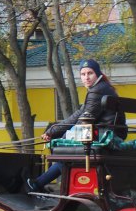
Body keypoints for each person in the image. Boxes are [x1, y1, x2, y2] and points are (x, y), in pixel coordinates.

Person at [27, 59, 127, 193]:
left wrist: (60, 138)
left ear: (97, 74)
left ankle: (42, 185)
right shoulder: (102, 88)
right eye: (83, 74)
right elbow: (79, 114)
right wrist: (53, 130)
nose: (86, 77)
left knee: (62, 150)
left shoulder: (97, 91)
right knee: (63, 149)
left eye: (90, 73)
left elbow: (83, 120)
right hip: (108, 133)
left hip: (103, 136)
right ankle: (42, 184)